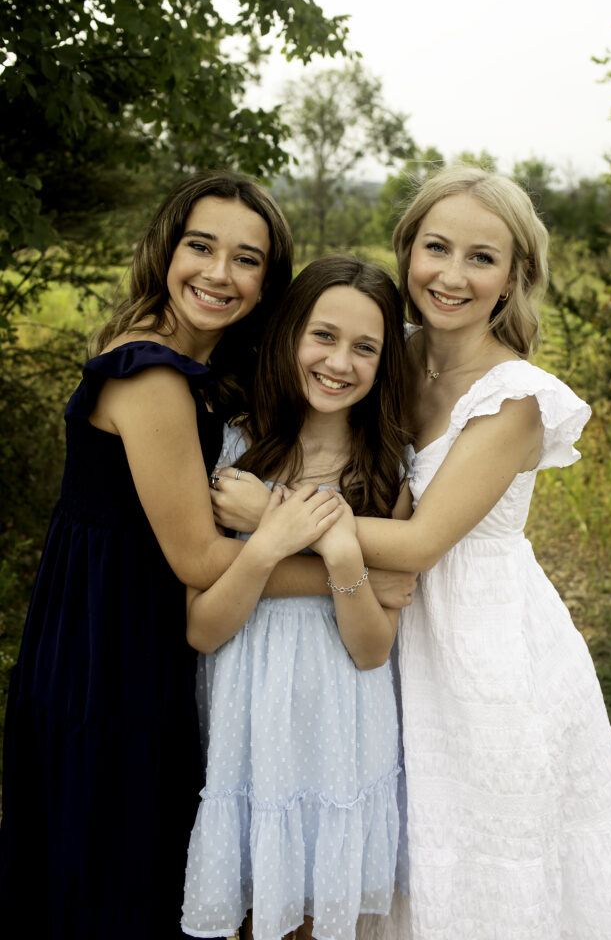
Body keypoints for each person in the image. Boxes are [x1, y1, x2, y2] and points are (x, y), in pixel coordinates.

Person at [214, 168, 611, 939]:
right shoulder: (392, 353)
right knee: (395, 830)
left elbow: (419, 541)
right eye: (435, 248)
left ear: (515, 276)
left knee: (472, 840)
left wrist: (271, 509)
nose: (452, 275)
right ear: (405, 249)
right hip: (377, 623)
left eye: (481, 258)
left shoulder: (513, 396)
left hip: (477, 638)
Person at [0, 170, 312, 940]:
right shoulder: (151, 374)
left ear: (268, 281)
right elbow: (201, 559)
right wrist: (347, 576)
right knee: (117, 861)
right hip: (110, 649)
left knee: (109, 853)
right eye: (199, 246)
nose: (217, 272)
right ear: (165, 250)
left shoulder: (193, 365)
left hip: (115, 627)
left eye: (246, 259)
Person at [180, 257, 410, 940]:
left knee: (312, 916)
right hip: (250, 728)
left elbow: (372, 651)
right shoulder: (232, 453)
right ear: (287, 337)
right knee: (251, 912)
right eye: (323, 336)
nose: (340, 362)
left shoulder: (386, 470)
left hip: (343, 731)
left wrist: (340, 545)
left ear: (383, 362)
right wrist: (269, 539)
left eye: (364, 347)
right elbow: (200, 628)